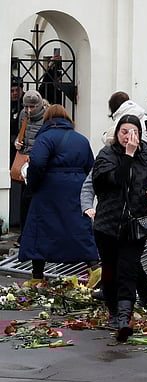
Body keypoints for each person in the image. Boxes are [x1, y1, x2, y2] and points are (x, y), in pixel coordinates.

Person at [91, 115, 147, 341]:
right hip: (108, 223)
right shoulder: (107, 154)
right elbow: (114, 180)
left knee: (128, 268)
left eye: (132, 132)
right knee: (111, 269)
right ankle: (114, 311)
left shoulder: (146, 154)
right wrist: (128, 155)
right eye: (124, 131)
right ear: (117, 133)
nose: (128, 136)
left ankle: (125, 317)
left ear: (140, 134)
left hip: (136, 223)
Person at [18, 105, 98, 283]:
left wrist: (33, 184)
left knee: (40, 230)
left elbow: (37, 163)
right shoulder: (81, 139)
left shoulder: (45, 137)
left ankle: (37, 276)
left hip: (49, 190)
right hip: (77, 189)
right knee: (80, 228)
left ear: (48, 119)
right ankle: (95, 268)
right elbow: (91, 166)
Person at [13, 90, 46, 233]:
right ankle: (24, 233)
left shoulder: (46, 117)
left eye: (32, 107)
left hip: (38, 162)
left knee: (36, 198)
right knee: (25, 200)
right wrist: (17, 142)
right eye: (26, 107)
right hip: (24, 161)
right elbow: (21, 133)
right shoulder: (23, 115)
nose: (29, 110)